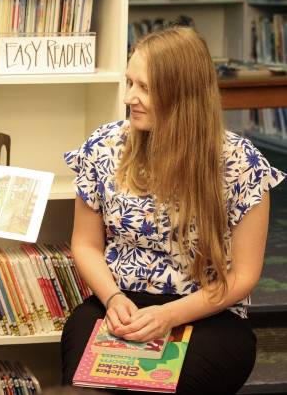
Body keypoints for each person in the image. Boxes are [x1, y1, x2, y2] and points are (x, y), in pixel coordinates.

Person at [60, 26, 285, 394]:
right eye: (128, 82)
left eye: (144, 87)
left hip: (206, 312)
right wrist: (114, 298)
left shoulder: (240, 163)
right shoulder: (103, 146)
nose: (129, 97)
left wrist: (169, 315)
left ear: (182, 94)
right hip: (118, 303)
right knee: (85, 386)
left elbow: (243, 275)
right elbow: (85, 245)